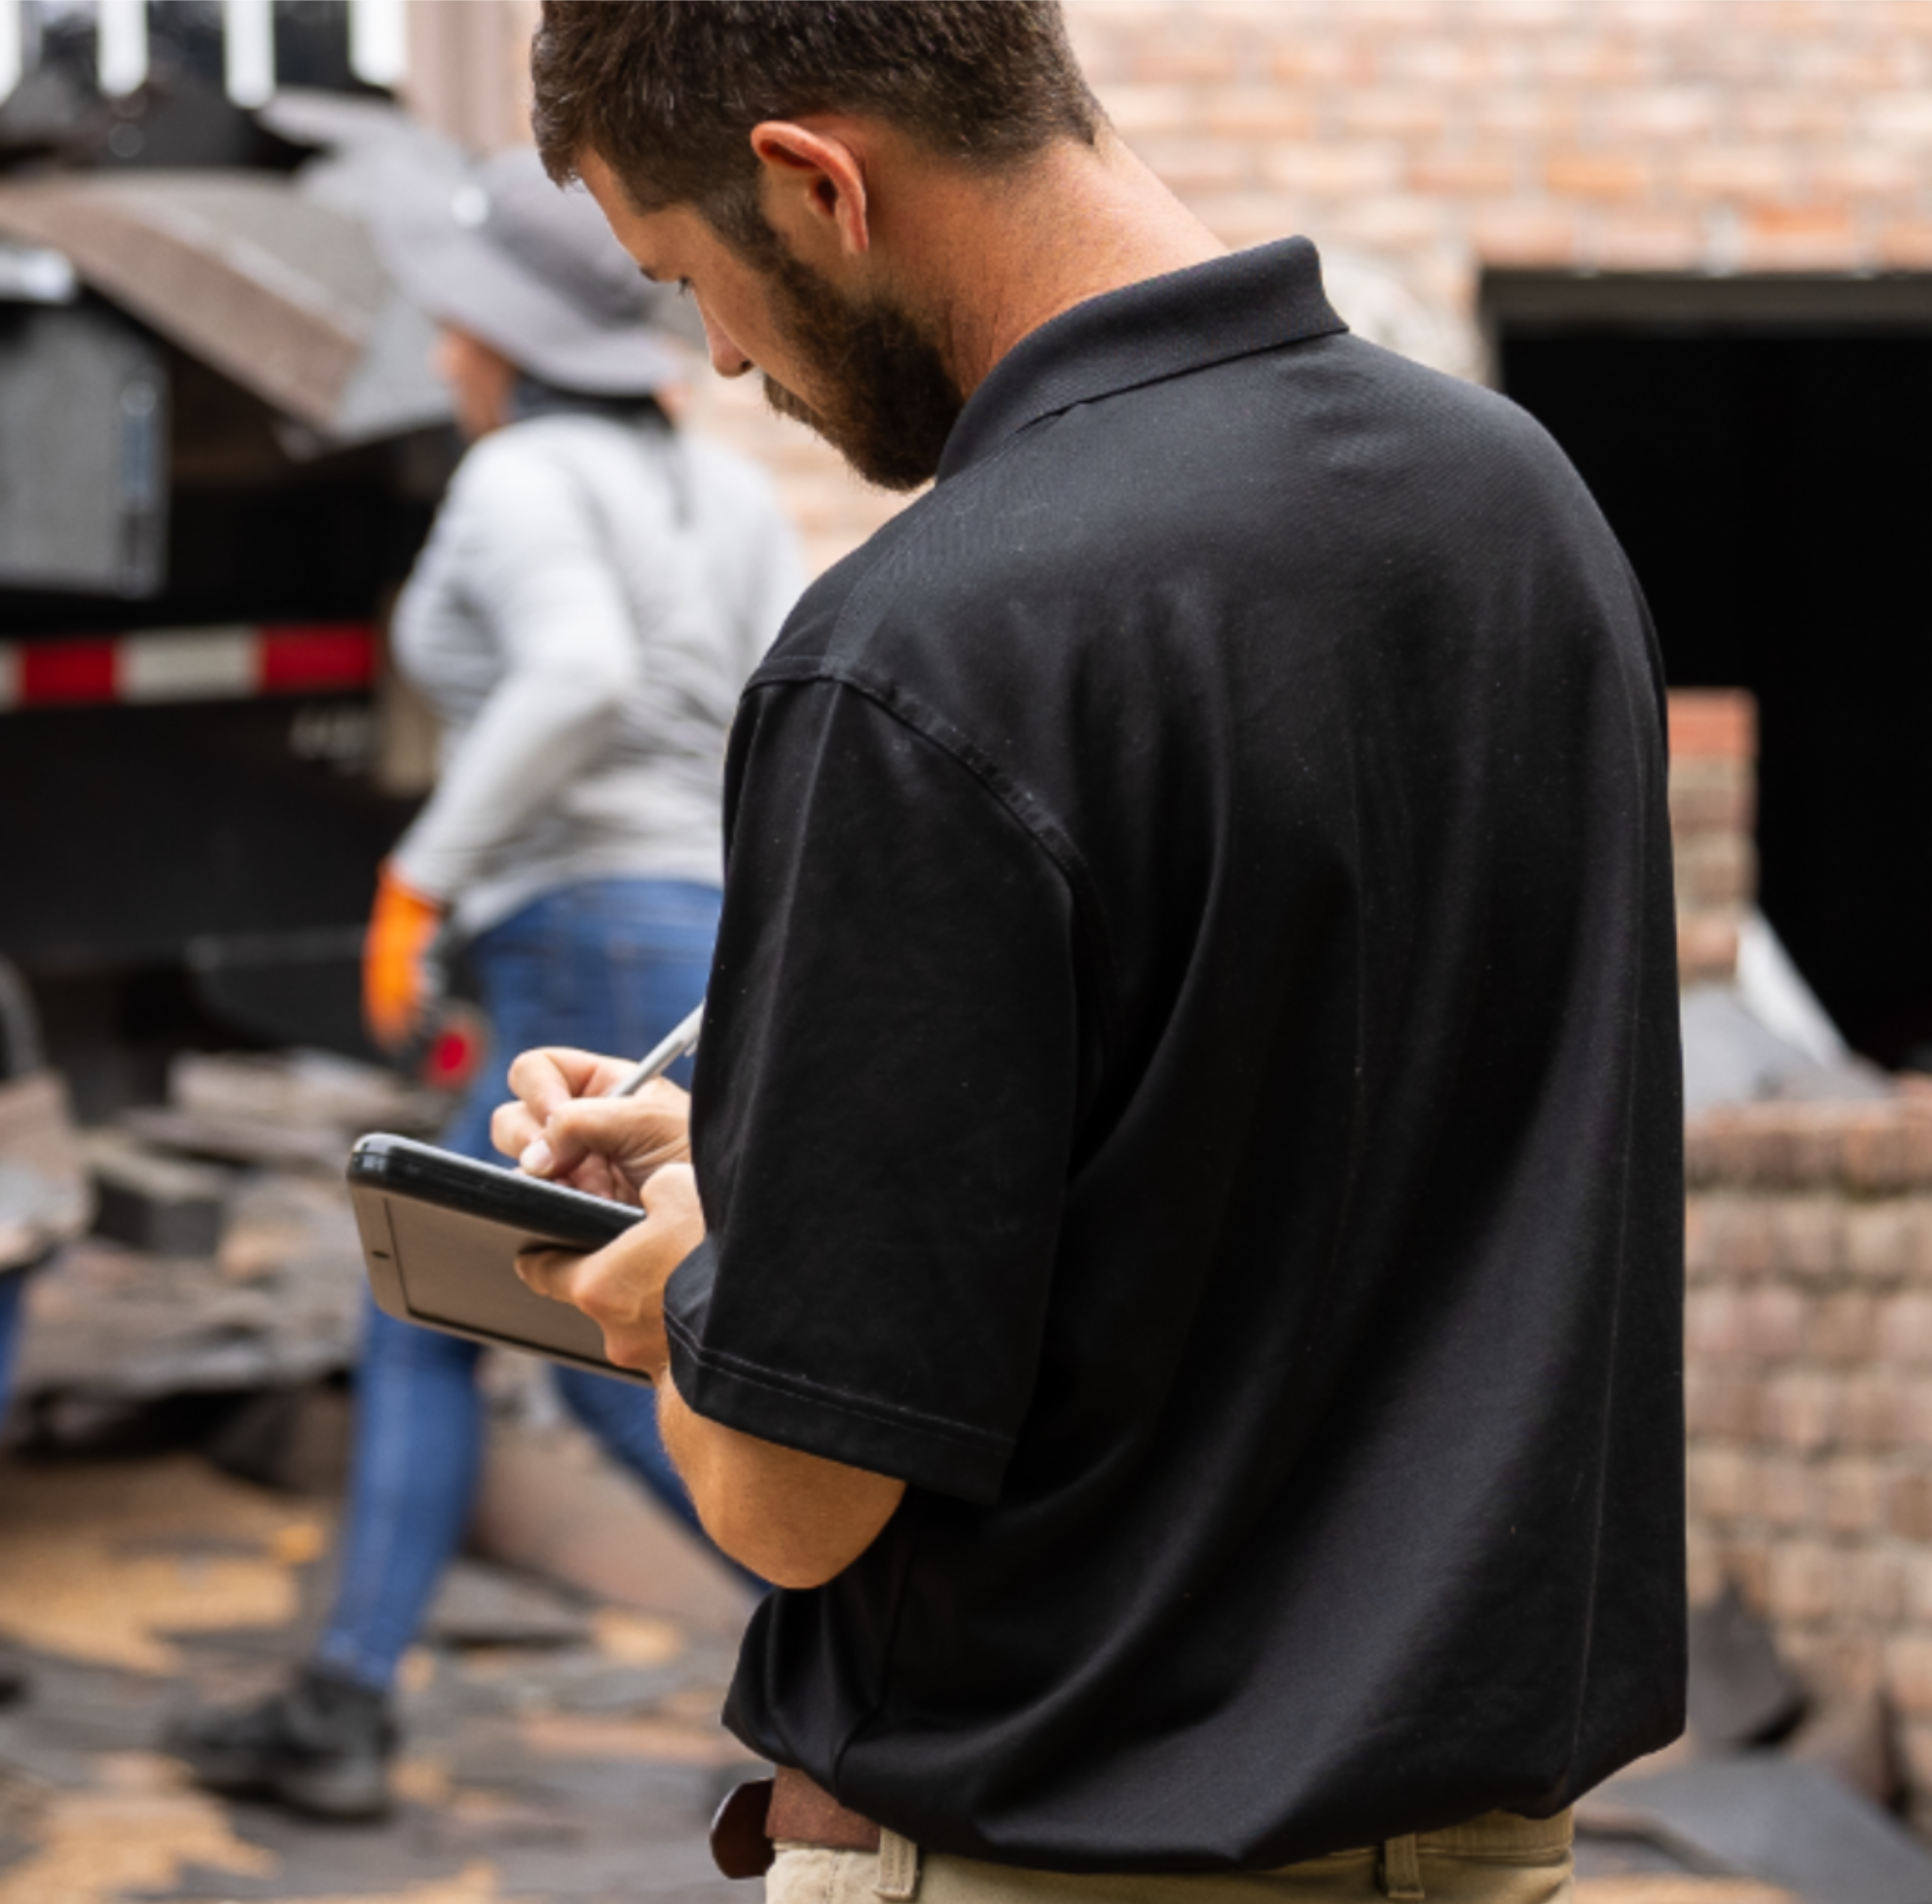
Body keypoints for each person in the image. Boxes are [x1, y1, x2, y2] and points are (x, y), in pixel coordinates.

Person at [487, 0, 1683, 1899]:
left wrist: (684, 1310)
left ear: (813, 185)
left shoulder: (925, 647)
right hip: (1473, 1855)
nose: (716, 352)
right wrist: (768, 1194)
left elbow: (797, 1503)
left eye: (690, 277)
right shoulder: (1522, 515)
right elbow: (1239, 1186)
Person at [165, 145, 807, 1823]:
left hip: (576, 936)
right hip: (698, 936)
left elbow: (578, 673)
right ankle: (824, 1622)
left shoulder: (519, 483)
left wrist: (422, 872)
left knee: (451, 1299)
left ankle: (352, 1701)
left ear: (491, 334)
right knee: (567, 1314)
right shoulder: (728, 496)